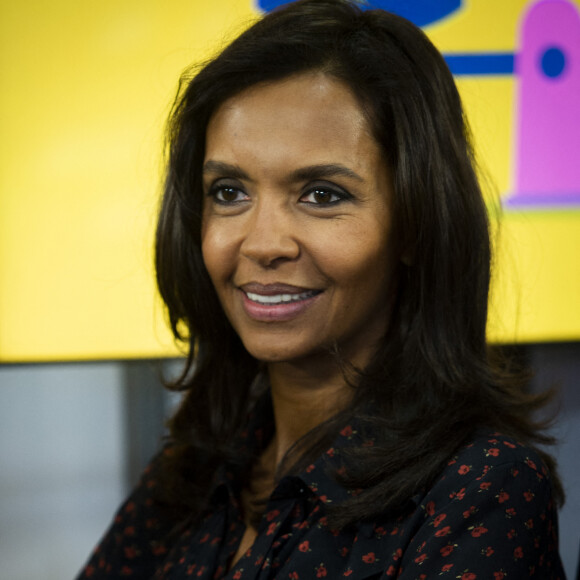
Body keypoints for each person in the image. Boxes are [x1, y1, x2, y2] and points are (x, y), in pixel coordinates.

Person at [77, 0, 566, 577]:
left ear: (415, 224)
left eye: (322, 195)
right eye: (229, 192)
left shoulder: (482, 488)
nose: (263, 244)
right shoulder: (192, 473)